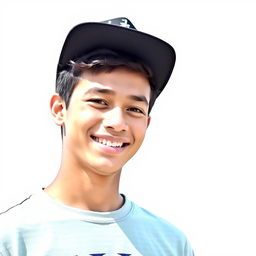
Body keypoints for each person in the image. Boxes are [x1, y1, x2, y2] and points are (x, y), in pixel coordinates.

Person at [0, 17, 194, 256]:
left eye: (134, 109)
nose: (117, 123)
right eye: (99, 102)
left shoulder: (171, 244)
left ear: (147, 123)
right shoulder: (12, 237)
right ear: (60, 109)